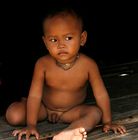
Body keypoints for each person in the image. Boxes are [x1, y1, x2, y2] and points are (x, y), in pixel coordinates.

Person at [5, 7, 126, 140]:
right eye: (53, 40)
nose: (61, 45)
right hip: (44, 109)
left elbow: (101, 94)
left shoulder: (89, 65)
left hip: (71, 111)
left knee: (95, 113)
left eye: (68, 38)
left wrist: (108, 122)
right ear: (45, 42)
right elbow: (34, 95)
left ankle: (71, 131)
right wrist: (31, 125)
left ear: (82, 38)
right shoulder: (42, 64)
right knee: (14, 114)